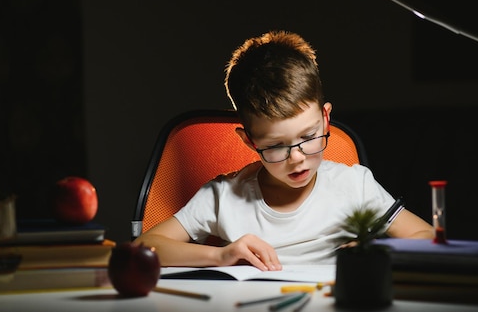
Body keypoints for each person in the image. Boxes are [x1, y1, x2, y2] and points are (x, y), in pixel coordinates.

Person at [134, 30, 434, 270]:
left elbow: (427, 236)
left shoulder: (354, 186)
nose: (297, 158)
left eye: (309, 136)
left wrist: (379, 249)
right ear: (250, 141)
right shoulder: (224, 196)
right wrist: (221, 256)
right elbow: (143, 247)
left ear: (326, 118)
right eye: (276, 146)